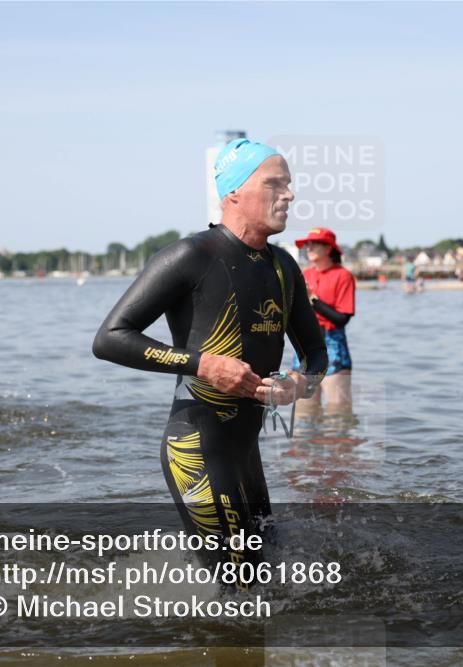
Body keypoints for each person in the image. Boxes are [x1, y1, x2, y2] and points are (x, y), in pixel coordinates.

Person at [93, 138, 327, 574]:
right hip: (197, 448)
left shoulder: (283, 266)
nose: (290, 195)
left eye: (290, 185)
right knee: (242, 590)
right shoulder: (190, 256)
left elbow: (316, 353)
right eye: (275, 184)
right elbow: (109, 338)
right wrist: (202, 364)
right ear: (234, 192)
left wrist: (299, 384)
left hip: (246, 453)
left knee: (267, 578)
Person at [294, 227, 356, 411]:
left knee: (338, 412)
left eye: (314, 244)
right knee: (304, 412)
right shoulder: (305, 274)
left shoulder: (343, 276)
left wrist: (312, 298)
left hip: (333, 345)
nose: (308, 248)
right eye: (307, 244)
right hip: (305, 346)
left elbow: (341, 319)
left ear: (328, 249)